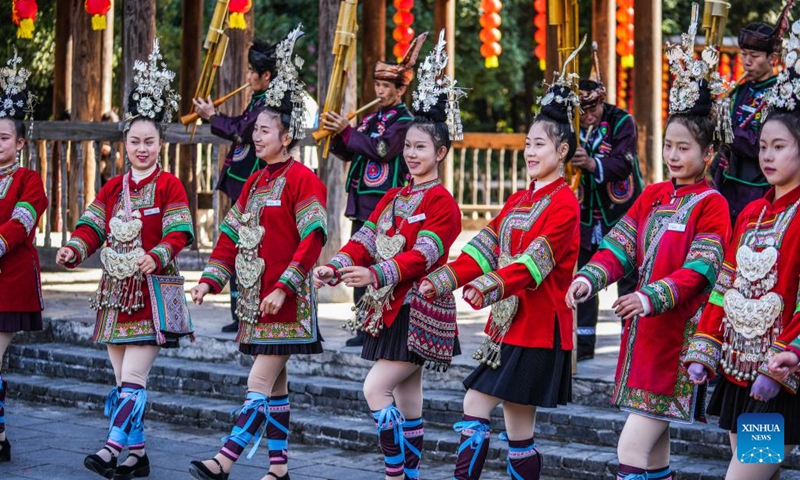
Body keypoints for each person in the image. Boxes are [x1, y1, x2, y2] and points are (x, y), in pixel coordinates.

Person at [566, 12, 732, 479]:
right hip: (651, 339)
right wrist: (589, 276)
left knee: (760, 451)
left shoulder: (717, 204)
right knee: (655, 453)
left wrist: (647, 295)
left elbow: (702, 269)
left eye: (685, 148)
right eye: (670, 146)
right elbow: (621, 243)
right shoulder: (658, 194)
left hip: (727, 347)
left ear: (711, 154)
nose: (674, 156)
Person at [419, 43, 585, 480]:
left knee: (476, 405)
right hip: (509, 324)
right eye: (527, 143)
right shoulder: (519, 199)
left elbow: (536, 262)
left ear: (563, 150)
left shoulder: (565, 204)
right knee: (519, 429)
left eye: (540, 145)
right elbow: (485, 246)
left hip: (537, 327)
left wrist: (489, 285)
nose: (530, 152)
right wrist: (447, 278)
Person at [314, 30, 463, 480]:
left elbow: (422, 256)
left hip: (418, 308)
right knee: (408, 398)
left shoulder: (443, 203)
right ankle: (409, 476)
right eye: (409, 147)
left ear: (440, 152)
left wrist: (375, 274)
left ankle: (395, 474)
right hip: (390, 308)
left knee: (374, 389)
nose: (413, 154)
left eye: (422, 148)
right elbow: (365, 239)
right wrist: (337, 265)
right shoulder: (394, 196)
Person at [188, 26, 328, 480]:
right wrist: (211, 279)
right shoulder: (254, 181)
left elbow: (313, 236)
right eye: (257, 130)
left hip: (285, 301)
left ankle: (224, 461)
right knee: (278, 388)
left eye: (266, 130)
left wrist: (287, 285)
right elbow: (230, 233)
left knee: (258, 383)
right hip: (256, 300)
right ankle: (279, 469)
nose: (257, 136)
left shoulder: (303, 180)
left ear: (287, 137)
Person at [55, 40, 194, 480]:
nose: (141, 148)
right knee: (124, 382)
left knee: (134, 377)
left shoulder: (170, 185)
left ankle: (113, 446)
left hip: (152, 291)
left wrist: (158, 254)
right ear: (126, 142)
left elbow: (180, 230)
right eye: (135, 140)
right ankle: (137, 455)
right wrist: (74, 248)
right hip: (116, 294)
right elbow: (92, 224)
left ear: (161, 143)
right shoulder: (114, 187)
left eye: (149, 141)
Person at [685, 19, 800, 480]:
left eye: (780, 147)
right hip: (737, 375)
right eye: (764, 147)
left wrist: (784, 358)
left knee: (746, 475)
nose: (767, 157)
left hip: (778, 373)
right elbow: (724, 286)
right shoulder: (751, 215)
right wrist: (705, 345)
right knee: (751, 471)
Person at [322, 33, 427, 347]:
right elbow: (352, 150)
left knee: (381, 261)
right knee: (359, 257)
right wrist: (337, 136)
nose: (380, 91)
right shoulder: (371, 117)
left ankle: (377, 325)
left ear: (399, 89)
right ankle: (361, 323)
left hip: (385, 201)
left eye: (386, 87)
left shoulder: (405, 121)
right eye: (377, 86)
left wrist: (348, 130)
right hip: (362, 199)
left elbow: (381, 149)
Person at [193, 38, 277, 334]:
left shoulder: (269, 102)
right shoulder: (257, 99)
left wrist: (212, 116)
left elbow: (243, 130)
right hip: (244, 182)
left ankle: (247, 309)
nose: (248, 76)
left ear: (267, 76)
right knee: (237, 244)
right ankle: (238, 310)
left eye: (252, 71)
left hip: (257, 184)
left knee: (251, 246)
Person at [573, 42, 643, 360]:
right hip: (586, 213)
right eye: (581, 111)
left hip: (622, 213)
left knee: (628, 276)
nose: (586, 117)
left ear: (601, 103)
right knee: (586, 277)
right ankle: (584, 347)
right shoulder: (572, 126)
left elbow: (623, 163)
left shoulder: (621, 122)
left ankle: (632, 343)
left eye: (591, 110)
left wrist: (590, 164)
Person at [0, 51, 48, 463]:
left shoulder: (29, 179)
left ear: (20, 142)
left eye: (3, 137)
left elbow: (22, 221)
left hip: (9, 280)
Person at [709, 4, 792, 226]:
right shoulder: (739, 89)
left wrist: (726, 129)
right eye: (744, 55)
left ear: (773, 58)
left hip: (759, 186)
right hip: (727, 182)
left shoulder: (780, 94)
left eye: (754, 56)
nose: (747, 61)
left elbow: (761, 144)